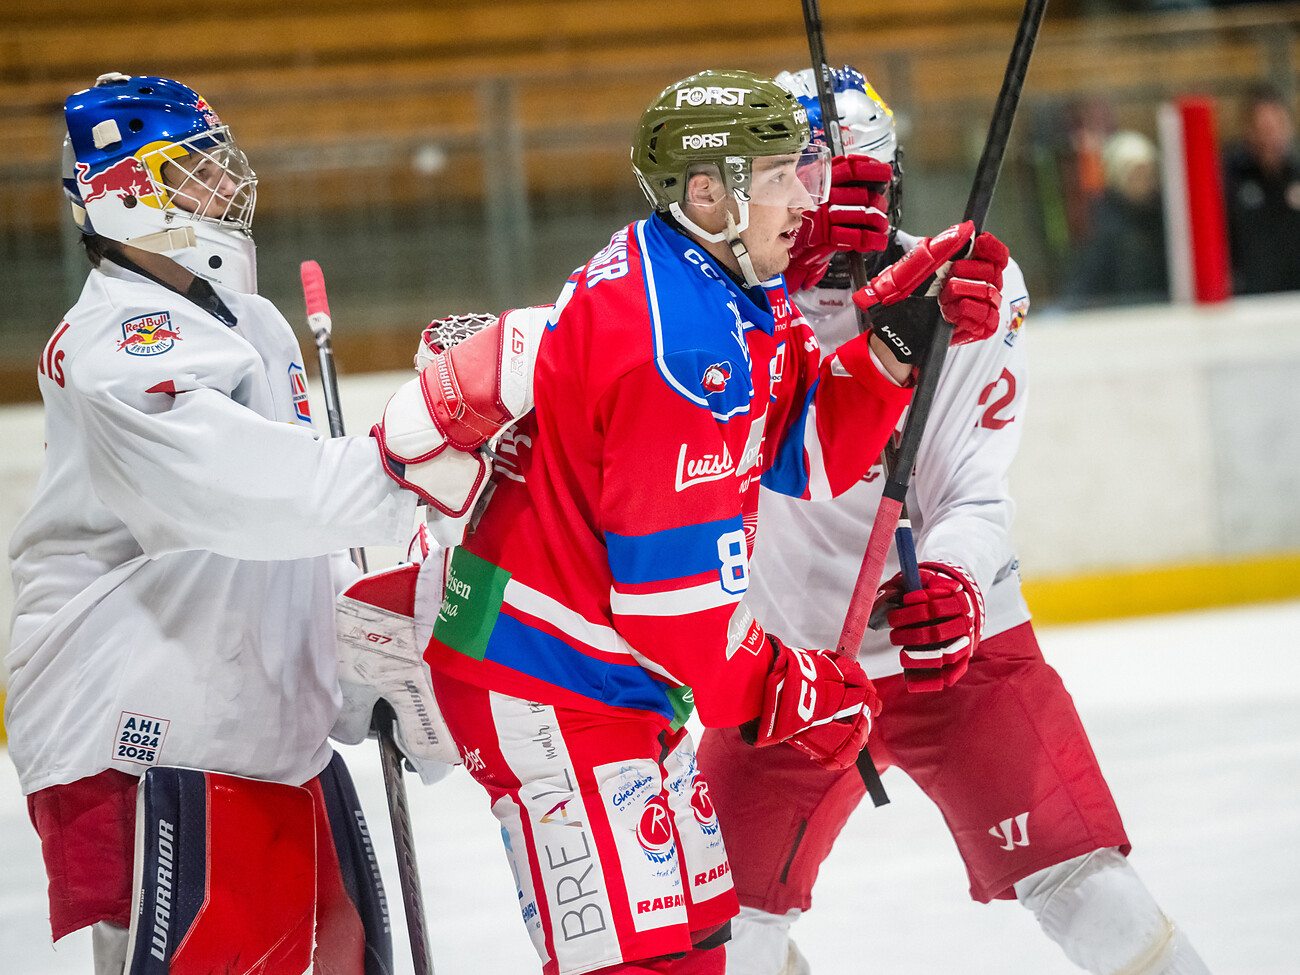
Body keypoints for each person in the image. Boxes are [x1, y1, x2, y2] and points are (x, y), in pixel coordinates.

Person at [383, 68, 1010, 975]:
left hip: (618, 676)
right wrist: (794, 687)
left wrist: (897, 337)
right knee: (644, 965)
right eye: (783, 176)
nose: (809, 198)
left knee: (707, 937)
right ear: (709, 192)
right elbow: (671, 611)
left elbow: (803, 449)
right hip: (550, 681)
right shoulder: (680, 351)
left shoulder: (716, 276)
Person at [694, 66, 1213, 975]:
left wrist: (961, 582)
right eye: (801, 187)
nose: (827, 213)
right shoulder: (706, 302)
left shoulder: (964, 285)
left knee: (1094, 897)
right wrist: (821, 310)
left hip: (956, 653)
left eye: (860, 186)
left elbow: (971, 487)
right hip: (784, 669)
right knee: (721, 937)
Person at [5, 73, 518, 975]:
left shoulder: (251, 320)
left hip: (247, 723)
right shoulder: (115, 345)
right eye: (191, 169)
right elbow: (245, 499)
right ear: (127, 194)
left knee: (335, 953)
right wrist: (411, 461)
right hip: (139, 726)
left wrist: (352, 664)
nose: (224, 181)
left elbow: (292, 536)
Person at [1064, 130, 1169, 305]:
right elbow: (1085, 281)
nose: (1143, 181)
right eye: (1134, 174)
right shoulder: (1102, 223)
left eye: (1147, 173)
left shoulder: (1166, 218)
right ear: (1118, 176)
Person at [1223, 82, 1300, 295]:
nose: (1271, 137)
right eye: (1263, 129)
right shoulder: (1230, 178)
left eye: (1276, 126)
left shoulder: (1297, 174)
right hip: (1250, 300)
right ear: (1248, 130)